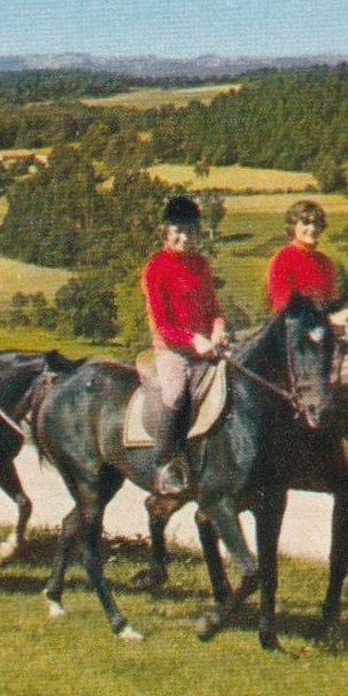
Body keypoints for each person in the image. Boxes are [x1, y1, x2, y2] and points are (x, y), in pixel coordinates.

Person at [140, 195, 226, 497]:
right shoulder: (155, 269)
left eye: (190, 231)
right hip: (173, 350)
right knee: (176, 394)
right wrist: (193, 340)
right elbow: (162, 324)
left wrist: (218, 328)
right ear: (166, 231)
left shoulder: (201, 264)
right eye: (178, 230)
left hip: (207, 347)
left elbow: (214, 307)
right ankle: (164, 464)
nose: (184, 237)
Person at [265, 199, 348, 328]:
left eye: (317, 223)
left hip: (323, 329)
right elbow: (285, 310)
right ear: (293, 226)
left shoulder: (324, 262)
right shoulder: (282, 260)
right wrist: (328, 320)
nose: (312, 229)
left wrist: (347, 313)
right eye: (306, 223)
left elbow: (330, 305)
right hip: (294, 332)